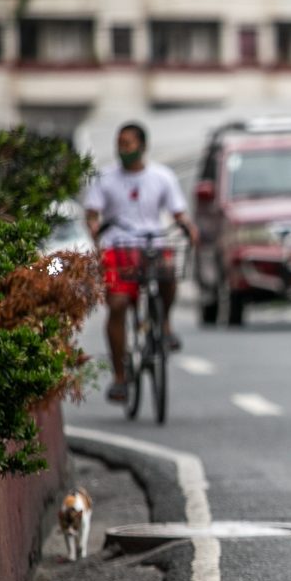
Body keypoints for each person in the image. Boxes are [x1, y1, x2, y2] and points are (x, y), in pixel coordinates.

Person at [84, 122, 198, 403]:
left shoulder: (162, 177)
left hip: (152, 244)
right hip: (117, 248)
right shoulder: (105, 178)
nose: (123, 150)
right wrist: (96, 234)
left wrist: (188, 227)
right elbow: (92, 214)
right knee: (118, 304)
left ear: (143, 146)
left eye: (129, 143)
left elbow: (178, 212)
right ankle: (120, 377)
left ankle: (166, 324)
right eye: (119, 143)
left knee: (170, 273)